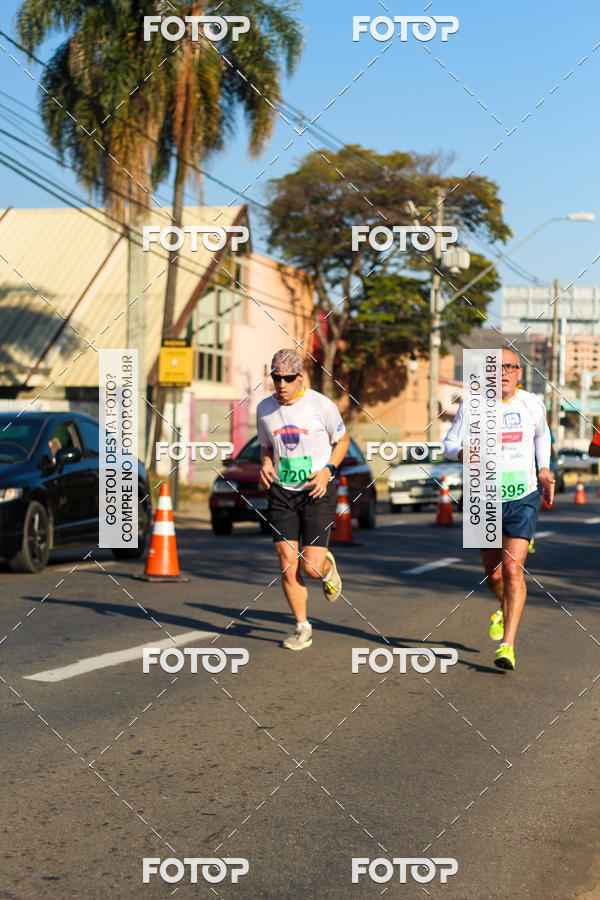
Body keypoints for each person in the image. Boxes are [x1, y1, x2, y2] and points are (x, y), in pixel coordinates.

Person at [443, 348, 555, 670]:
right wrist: (464, 453)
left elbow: (541, 436)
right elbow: (448, 445)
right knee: (493, 575)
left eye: (510, 367)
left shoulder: (533, 404)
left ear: (519, 373)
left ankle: (507, 645)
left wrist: (544, 469)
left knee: (511, 570)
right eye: (496, 366)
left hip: (523, 496)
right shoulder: (472, 405)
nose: (503, 371)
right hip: (483, 497)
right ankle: (504, 606)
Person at [257, 349, 351, 651]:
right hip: (282, 492)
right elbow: (266, 446)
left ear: (301, 377)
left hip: (316, 491)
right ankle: (302, 627)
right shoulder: (264, 409)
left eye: (287, 378)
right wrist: (266, 463)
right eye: (276, 378)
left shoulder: (321, 406)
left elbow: (343, 440)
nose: (281, 384)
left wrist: (328, 471)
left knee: (310, 567)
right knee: (287, 564)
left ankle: (326, 569)